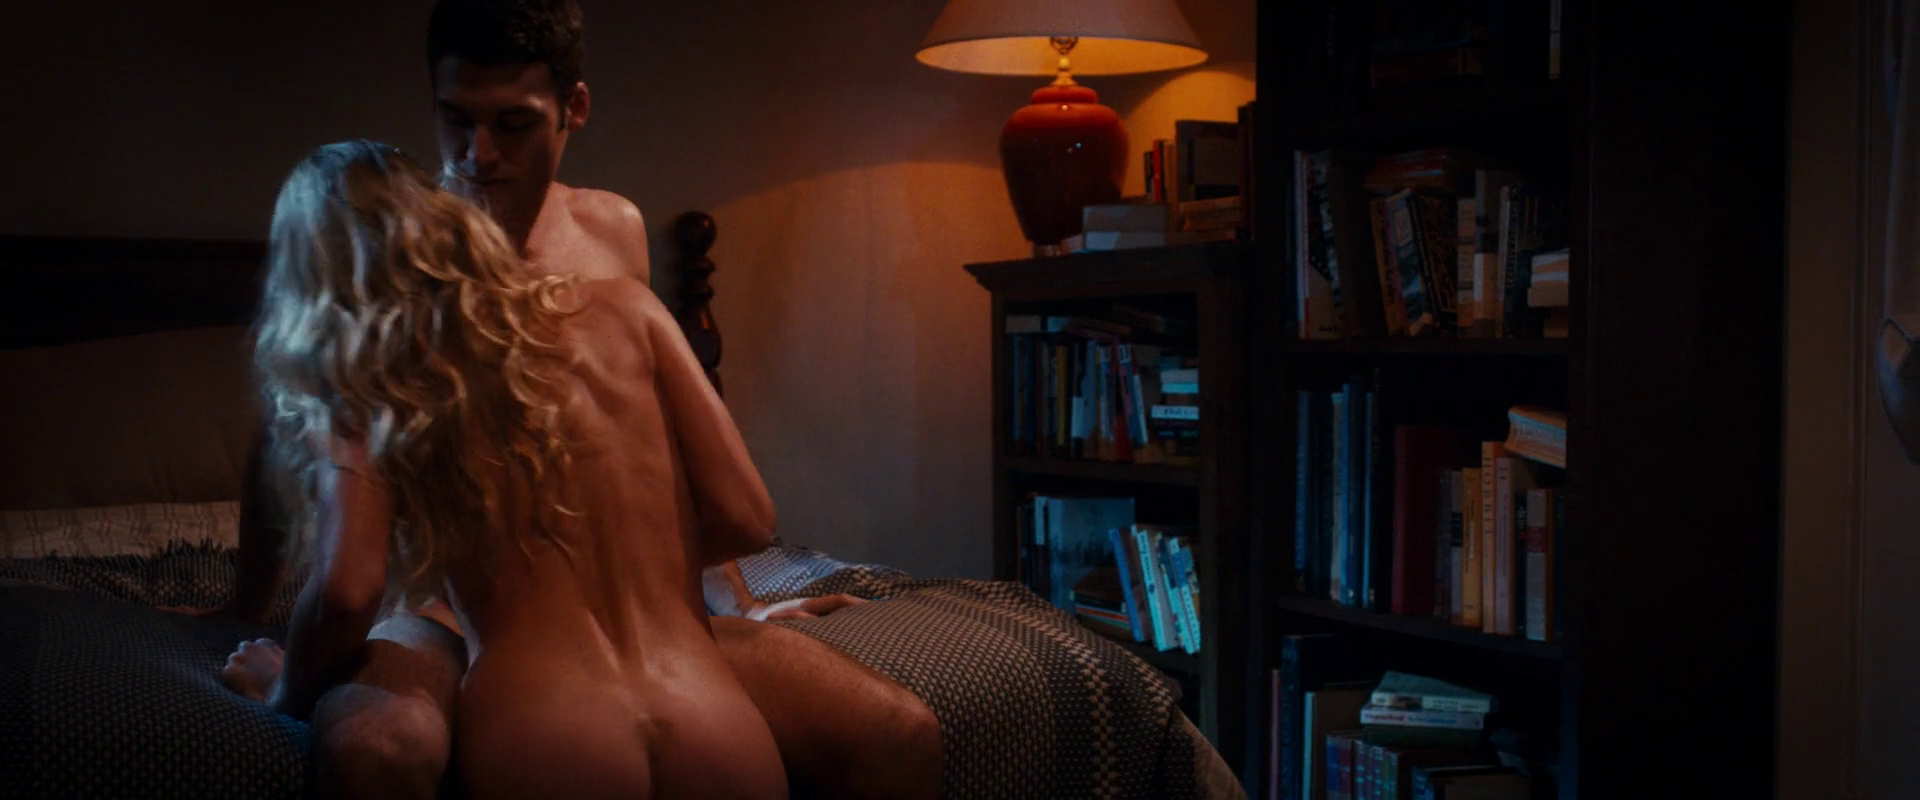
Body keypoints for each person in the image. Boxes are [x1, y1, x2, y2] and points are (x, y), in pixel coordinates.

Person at [209, 2, 941, 798]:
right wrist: (244, 605)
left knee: (899, 727)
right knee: (382, 746)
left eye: (513, 125)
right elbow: (297, 448)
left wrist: (724, 600)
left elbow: (667, 463)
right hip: (444, 609)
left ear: (573, 110)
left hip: (593, 653)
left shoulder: (610, 235)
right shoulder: (401, 268)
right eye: (455, 121)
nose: (478, 155)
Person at [250, 138, 791, 798]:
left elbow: (347, 590)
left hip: (547, 730)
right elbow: (748, 518)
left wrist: (280, 690)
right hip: (720, 724)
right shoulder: (625, 306)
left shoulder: (374, 366)